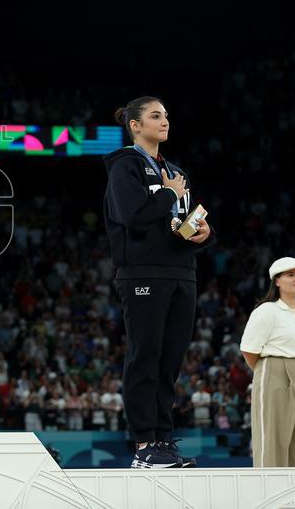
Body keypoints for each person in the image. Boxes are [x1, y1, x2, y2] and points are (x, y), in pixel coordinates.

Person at [102, 96, 214, 468]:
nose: (164, 120)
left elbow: (181, 219)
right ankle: (143, 446)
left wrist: (202, 230)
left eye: (166, 114)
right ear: (135, 125)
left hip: (182, 272)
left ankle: (163, 441)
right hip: (143, 273)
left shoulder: (176, 170)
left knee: (170, 361)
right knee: (145, 355)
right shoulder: (124, 167)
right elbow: (132, 216)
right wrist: (168, 192)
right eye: (155, 115)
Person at [240, 257, 295, 467]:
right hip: (275, 369)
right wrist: (268, 374)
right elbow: (249, 350)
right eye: (290, 274)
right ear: (277, 281)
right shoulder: (267, 311)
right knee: (273, 436)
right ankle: (272, 496)